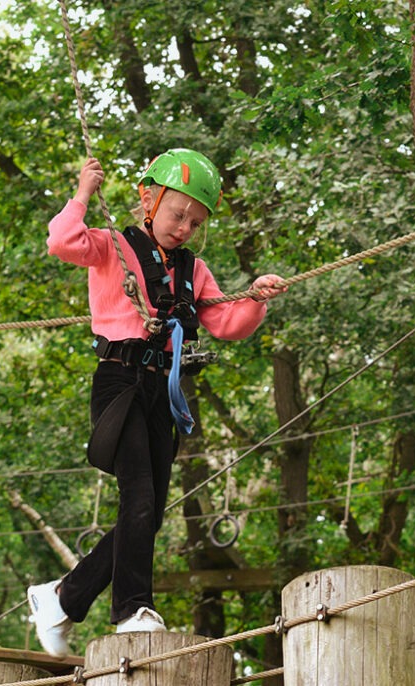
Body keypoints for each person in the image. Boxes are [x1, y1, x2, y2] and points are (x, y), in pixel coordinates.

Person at [27, 149, 285, 657]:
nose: (185, 227)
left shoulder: (194, 271)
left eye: (196, 221)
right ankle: (131, 610)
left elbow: (226, 324)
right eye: (177, 215)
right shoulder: (113, 248)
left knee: (149, 512)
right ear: (149, 200)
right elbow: (62, 241)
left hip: (161, 392)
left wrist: (255, 298)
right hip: (119, 382)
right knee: (139, 500)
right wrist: (82, 191)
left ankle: (62, 597)